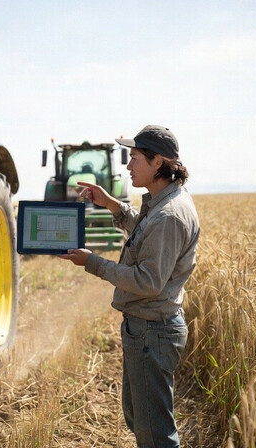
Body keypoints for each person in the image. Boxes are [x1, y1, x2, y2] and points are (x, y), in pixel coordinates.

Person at [58, 125, 200, 448]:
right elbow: (144, 231)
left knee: (155, 433)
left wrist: (92, 262)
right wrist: (111, 204)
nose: (128, 166)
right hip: (146, 329)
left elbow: (148, 282)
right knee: (140, 417)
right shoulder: (163, 203)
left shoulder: (170, 215)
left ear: (158, 162)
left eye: (134, 158)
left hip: (153, 331)